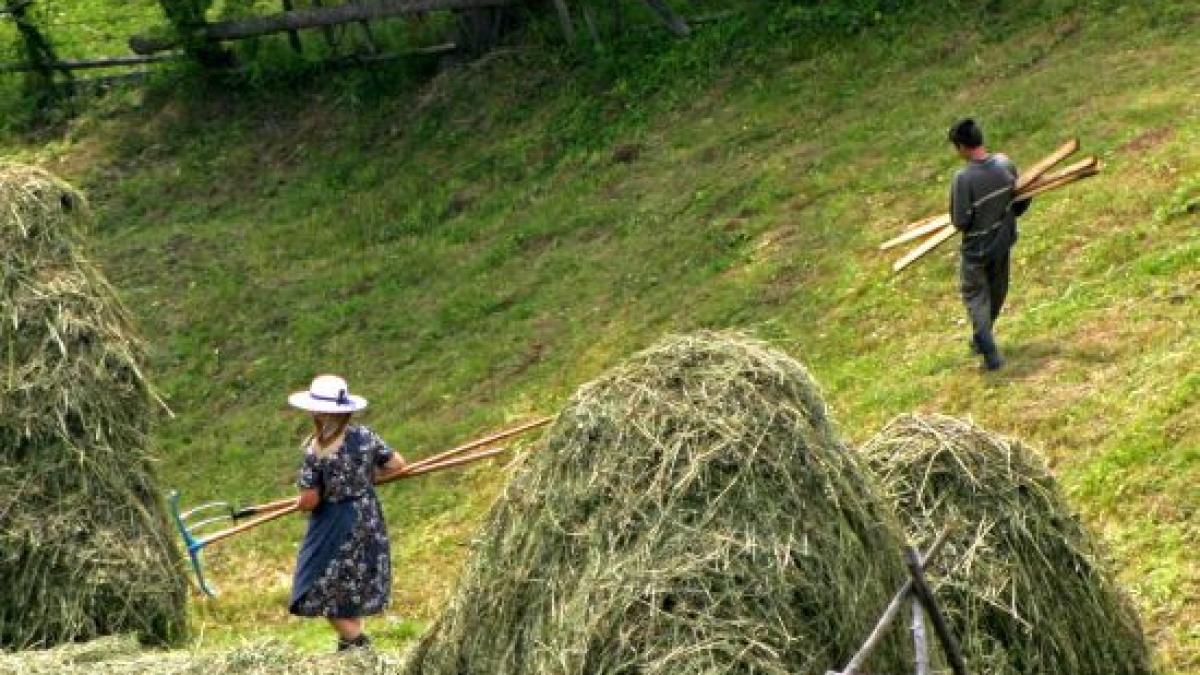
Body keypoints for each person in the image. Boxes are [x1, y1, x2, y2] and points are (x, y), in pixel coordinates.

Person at [287, 374, 407, 651]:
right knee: (348, 584)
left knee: (316, 584)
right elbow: (398, 465)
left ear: (318, 411)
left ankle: (357, 645)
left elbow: (309, 500)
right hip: (367, 517)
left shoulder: (316, 451)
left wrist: (302, 502)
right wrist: (364, 478)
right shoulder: (364, 436)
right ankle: (351, 648)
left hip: (335, 524)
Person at [947, 118, 1030, 371]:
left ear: (962, 147)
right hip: (1001, 244)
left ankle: (989, 352)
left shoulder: (964, 178)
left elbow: (960, 221)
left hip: (976, 251)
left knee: (975, 297)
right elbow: (1021, 202)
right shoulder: (1005, 164)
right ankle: (981, 339)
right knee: (997, 292)